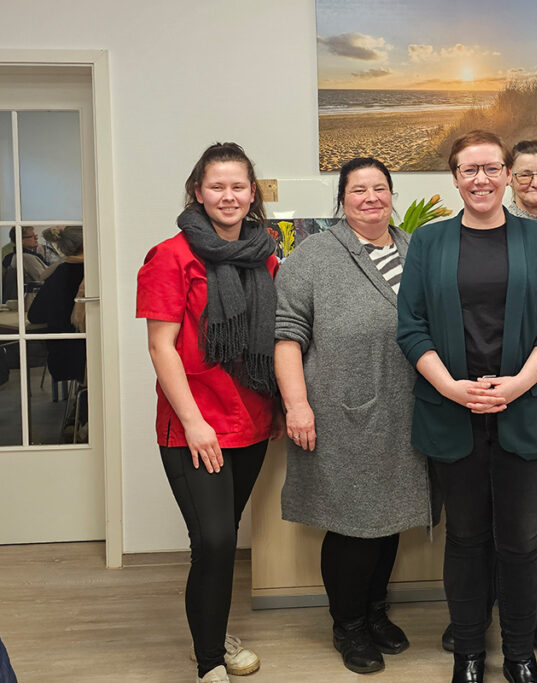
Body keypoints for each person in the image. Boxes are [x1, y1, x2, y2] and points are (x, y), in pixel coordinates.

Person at [396, 130, 537, 683]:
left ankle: (519, 655)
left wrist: (517, 384)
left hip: (526, 409)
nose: (482, 179)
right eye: (470, 170)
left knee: (521, 540)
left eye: (492, 168)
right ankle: (469, 654)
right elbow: (411, 328)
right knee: (466, 539)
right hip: (451, 412)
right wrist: (451, 387)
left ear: (507, 175)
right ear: (454, 178)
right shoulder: (429, 242)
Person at [274, 157, 431, 675]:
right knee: (352, 527)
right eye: (358, 189)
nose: (370, 198)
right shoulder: (314, 255)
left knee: (390, 521)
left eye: (379, 188)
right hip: (342, 415)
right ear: (342, 199)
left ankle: (375, 611)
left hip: (408, 412)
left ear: (392, 195)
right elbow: (287, 336)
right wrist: (297, 405)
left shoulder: (416, 248)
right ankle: (349, 624)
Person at [137, 142, 283, 683]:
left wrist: (281, 405)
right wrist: (195, 422)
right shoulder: (170, 256)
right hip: (195, 426)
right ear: (197, 192)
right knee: (215, 542)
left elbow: (276, 337)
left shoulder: (265, 254)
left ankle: (215, 634)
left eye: (238, 186)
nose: (228, 195)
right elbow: (161, 347)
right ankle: (209, 661)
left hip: (252, 419)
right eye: (216, 186)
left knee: (223, 539)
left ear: (252, 193)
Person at [28, 226, 86, 383]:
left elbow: (35, 315)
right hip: (89, 356)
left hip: (63, 356)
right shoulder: (96, 273)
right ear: (85, 245)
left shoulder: (59, 273)